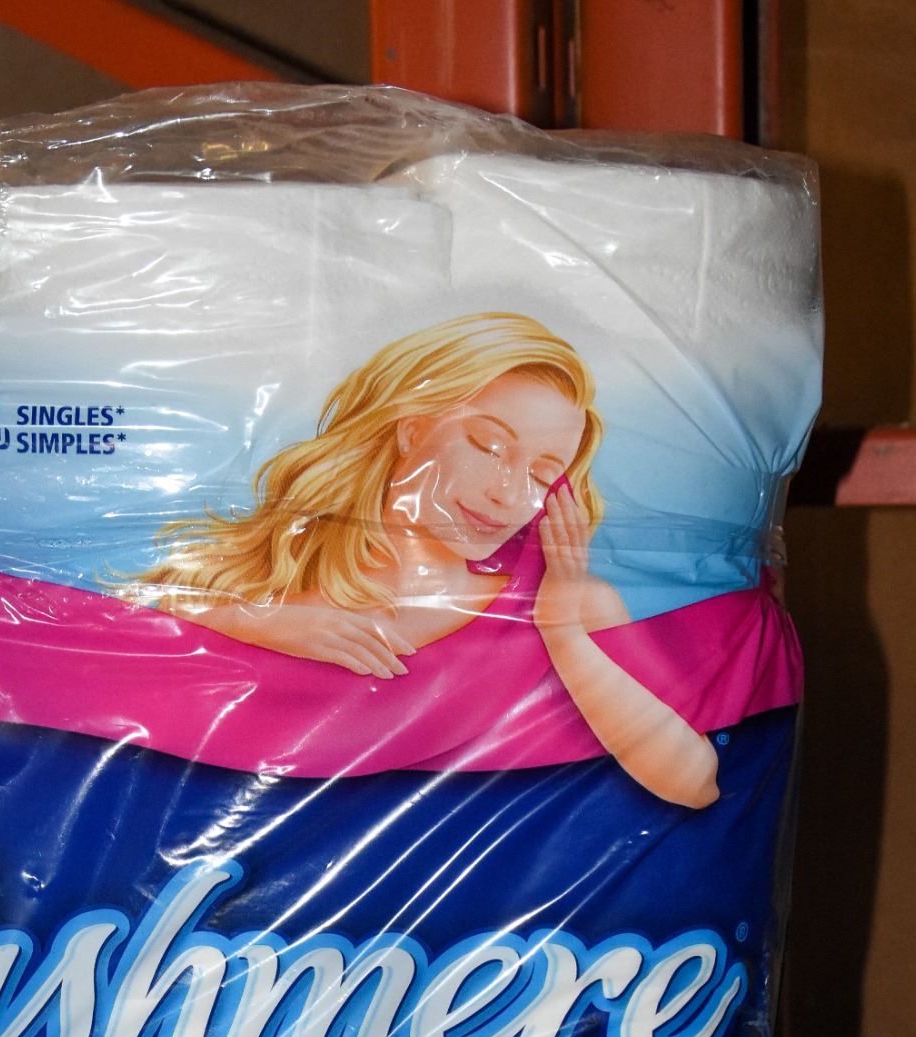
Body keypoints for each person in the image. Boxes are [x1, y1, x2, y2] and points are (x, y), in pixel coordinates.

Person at [126, 312, 718, 809]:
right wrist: (249, 620)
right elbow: (107, 650)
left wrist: (561, 633)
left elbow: (695, 784)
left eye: (542, 475)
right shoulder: (263, 586)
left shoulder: (572, 606)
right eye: (488, 447)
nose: (508, 494)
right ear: (411, 430)